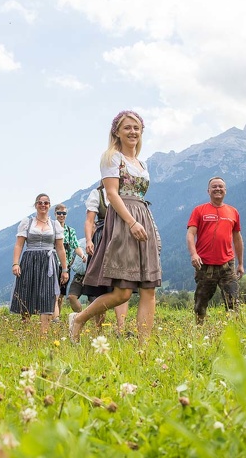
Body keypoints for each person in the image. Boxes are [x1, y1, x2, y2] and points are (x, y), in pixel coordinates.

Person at [70, 111, 161, 344]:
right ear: (117, 132)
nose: (133, 132)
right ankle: (79, 319)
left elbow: (141, 197)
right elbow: (111, 193)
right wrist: (131, 222)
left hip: (144, 216)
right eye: (127, 127)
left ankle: (144, 348)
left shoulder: (142, 164)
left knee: (149, 288)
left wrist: (149, 227)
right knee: (123, 292)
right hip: (123, 220)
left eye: (137, 128)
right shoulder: (112, 157)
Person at [186, 176, 244, 324]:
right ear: (208, 191)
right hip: (205, 265)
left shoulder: (233, 212)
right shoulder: (199, 210)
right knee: (200, 304)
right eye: (214, 187)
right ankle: (199, 331)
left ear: (225, 190)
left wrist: (241, 264)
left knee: (233, 303)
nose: (217, 189)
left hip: (227, 265)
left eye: (220, 186)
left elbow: (237, 238)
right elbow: (190, 234)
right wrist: (193, 254)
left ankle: (233, 333)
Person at [10, 194, 69, 334]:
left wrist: (65, 269)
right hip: (30, 259)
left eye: (46, 203)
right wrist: (15, 263)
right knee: (26, 292)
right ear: (36, 205)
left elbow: (60, 248)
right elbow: (19, 245)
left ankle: (44, 333)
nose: (43, 205)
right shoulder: (27, 223)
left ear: (49, 205)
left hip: (48, 261)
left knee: (47, 294)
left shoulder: (54, 225)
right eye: (40, 203)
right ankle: (25, 329)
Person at [78, 183, 129, 334]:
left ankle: (121, 328)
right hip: (102, 238)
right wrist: (88, 240)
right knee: (99, 286)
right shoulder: (97, 194)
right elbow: (89, 221)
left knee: (122, 284)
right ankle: (98, 329)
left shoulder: (125, 192)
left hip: (121, 238)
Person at [53, 203, 86, 320]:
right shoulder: (51, 229)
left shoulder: (70, 231)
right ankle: (54, 319)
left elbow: (76, 246)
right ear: (55, 214)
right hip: (52, 265)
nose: (61, 215)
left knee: (61, 295)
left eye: (64, 213)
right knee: (54, 294)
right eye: (59, 213)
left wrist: (82, 255)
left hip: (65, 266)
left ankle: (57, 317)